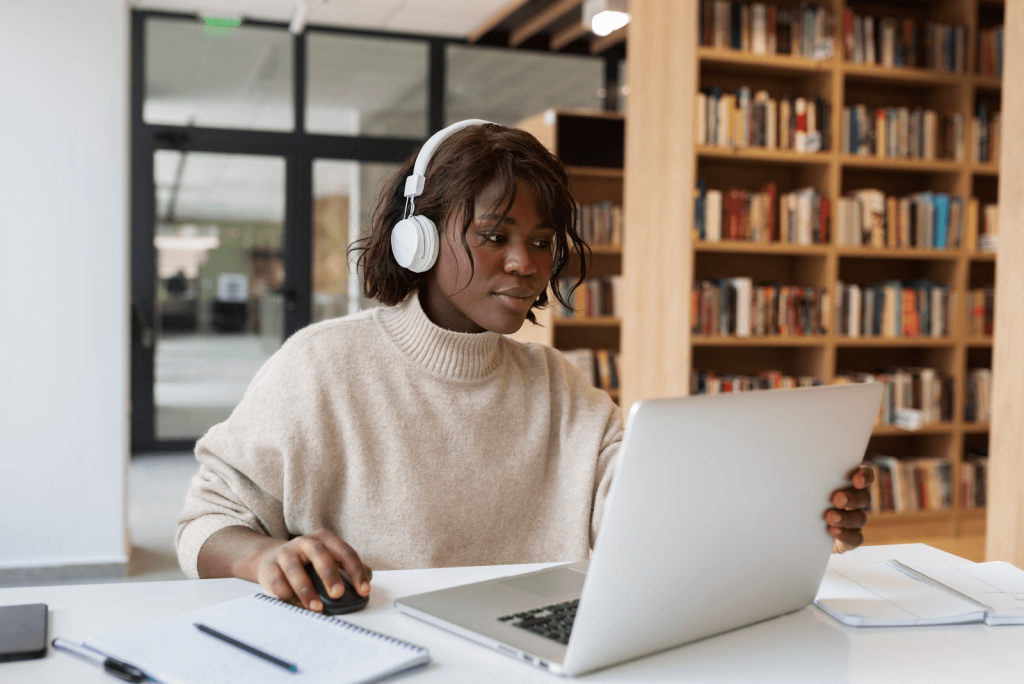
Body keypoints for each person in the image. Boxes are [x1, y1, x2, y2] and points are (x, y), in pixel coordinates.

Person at [177, 121, 873, 614]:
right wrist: (259, 557)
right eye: (493, 236)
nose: (527, 263)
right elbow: (207, 520)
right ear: (416, 240)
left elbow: (643, 515)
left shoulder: (562, 384)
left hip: (542, 652)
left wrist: (794, 513)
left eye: (542, 241)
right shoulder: (322, 366)